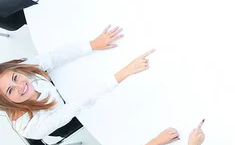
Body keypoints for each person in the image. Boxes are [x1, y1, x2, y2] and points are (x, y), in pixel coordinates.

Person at [0, 30, 154, 139]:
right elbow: (79, 103)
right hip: (66, 116)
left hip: (62, 91)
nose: (20, 85)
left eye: (15, 78)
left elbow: (53, 57)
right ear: (6, 102)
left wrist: (93, 44)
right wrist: (126, 71)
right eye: (10, 90)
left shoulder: (20, 71)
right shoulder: (32, 128)